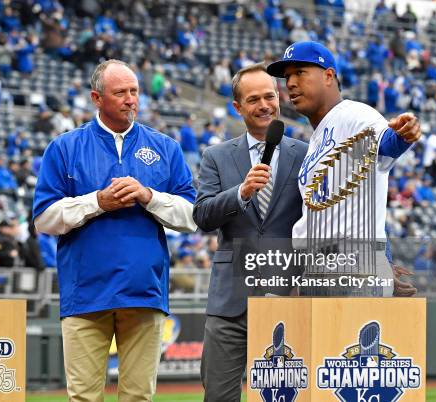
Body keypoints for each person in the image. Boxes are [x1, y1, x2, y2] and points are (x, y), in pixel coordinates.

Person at [32, 59, 197, 402]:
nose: (130, 99)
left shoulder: (165, 148)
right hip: (85, 294)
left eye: (134, 91)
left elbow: (192, 216)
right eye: (120, 92)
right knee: (84, 398)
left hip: (144, 291)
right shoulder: (64, 147)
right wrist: (98, 202)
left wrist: (148, 196)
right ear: (96, 98)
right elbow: (44, 219)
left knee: (138, 397)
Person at [266, 41, 421, 295]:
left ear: (328, 76)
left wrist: (405, 133)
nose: (290, 83)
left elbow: (388, 143)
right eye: (287, 76)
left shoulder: (353, 114)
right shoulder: (315, 142)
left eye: (300, 73)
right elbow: (363, 204)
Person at [192, 62, 308, 401]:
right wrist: (240, 193)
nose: (264, 105)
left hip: (286, 297)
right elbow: (202, 216)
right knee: (219, 396)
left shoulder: (306, 154)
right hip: (230, 302)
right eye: (254, 99)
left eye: (270, 96)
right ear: (238, 107)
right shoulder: (215, 156)